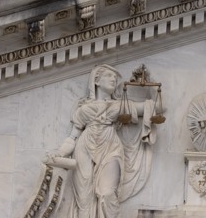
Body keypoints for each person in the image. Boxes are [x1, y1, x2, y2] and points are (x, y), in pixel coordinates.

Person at [52, 64, 155, 218]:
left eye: (115, 77)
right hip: (84, 148)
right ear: (97, 81)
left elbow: (156, 108)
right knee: (84, 200)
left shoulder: (120, 105)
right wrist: (59, 153)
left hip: (110, 148)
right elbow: (73, 137)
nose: (113, 79)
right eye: (109, 76)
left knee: (107, 193)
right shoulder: (84, 109)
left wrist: (150, 84)